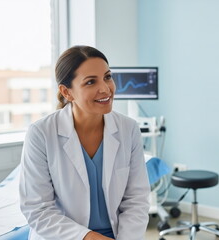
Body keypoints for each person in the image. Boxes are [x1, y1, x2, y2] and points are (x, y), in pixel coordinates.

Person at [19, 46, 150, 240]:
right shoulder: (41, 134)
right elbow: (38, 209)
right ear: (67, 92)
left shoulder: (128, 129)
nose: (105, 89)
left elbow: (136, 200)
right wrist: (88, 237)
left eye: (107, 77)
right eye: (90, 82)